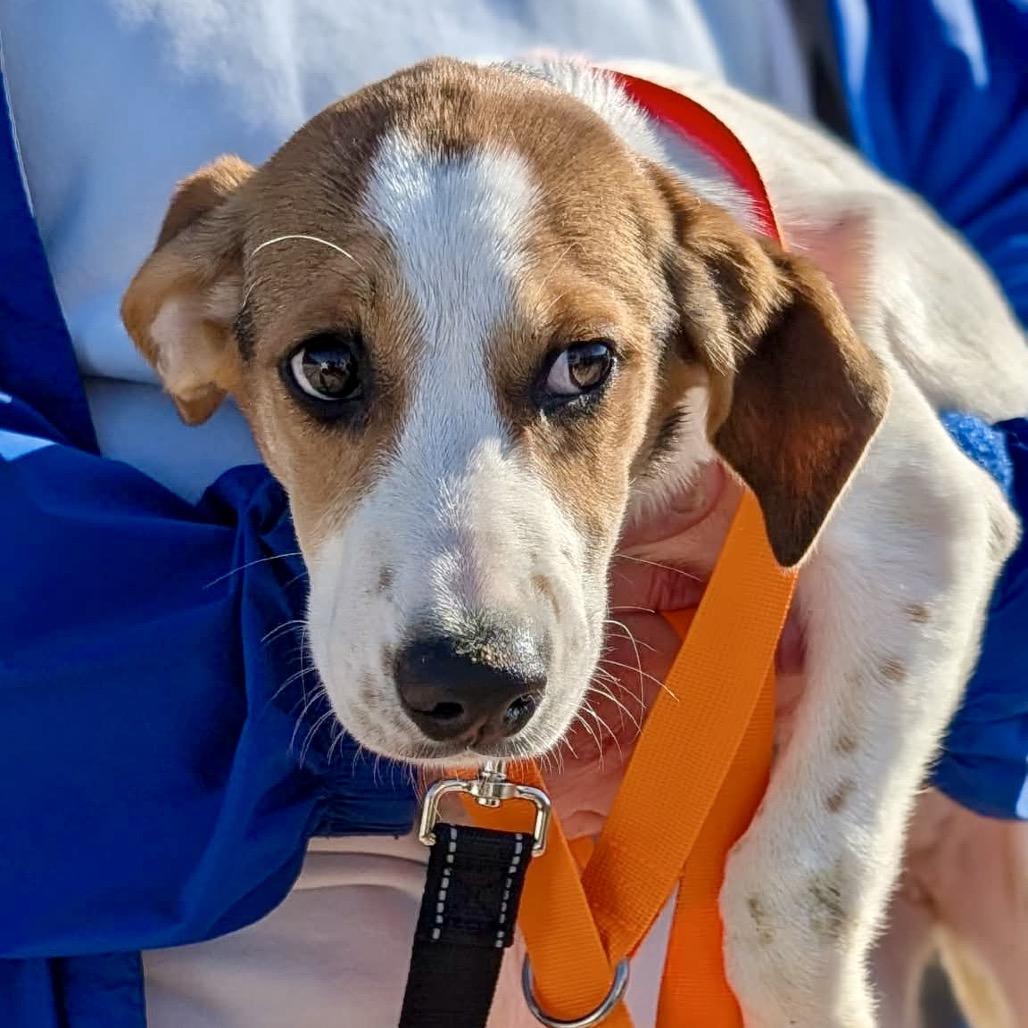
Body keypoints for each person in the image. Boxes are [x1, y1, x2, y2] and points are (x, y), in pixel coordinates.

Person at [0, 2, 1024, 1025]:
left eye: (577, 367)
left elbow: (935, 501)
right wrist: (264, 685)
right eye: (331, 369)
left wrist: (831, 594)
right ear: (192, 323)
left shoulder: (871, 57)